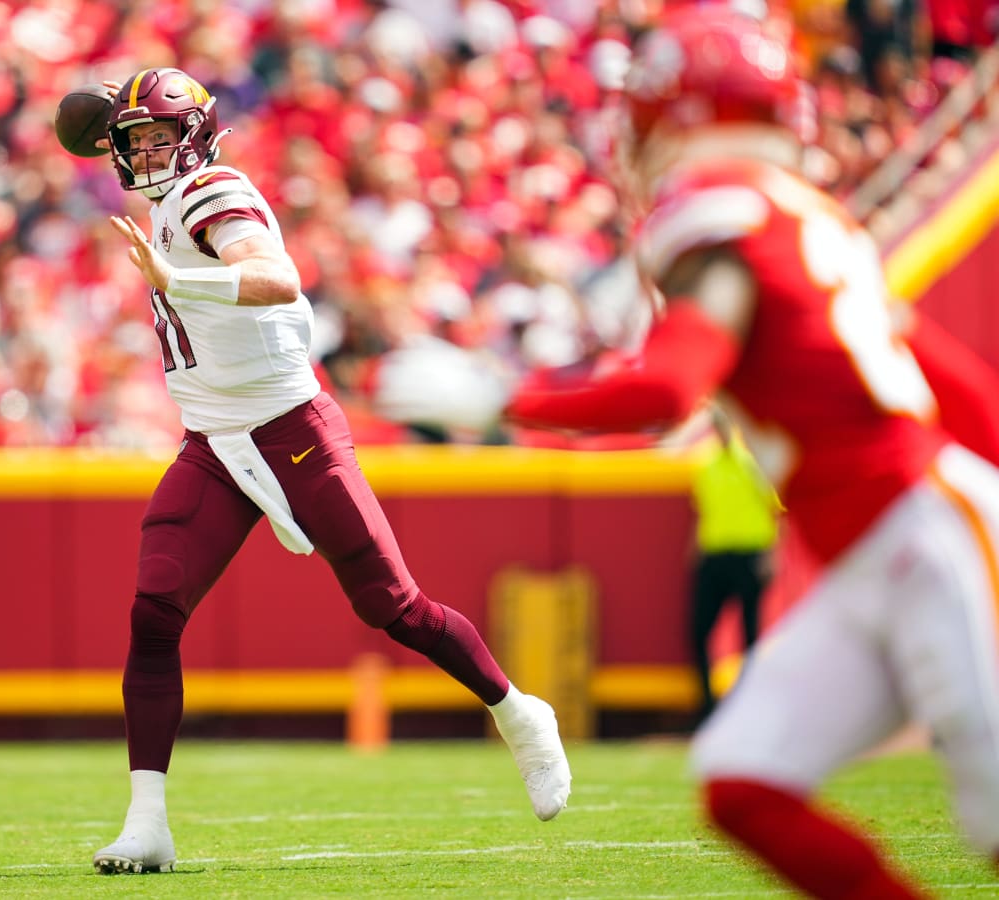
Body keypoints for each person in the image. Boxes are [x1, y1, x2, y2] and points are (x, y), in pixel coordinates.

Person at [505, 8, 999, 898]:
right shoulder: (807, 217)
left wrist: (511, 397)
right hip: (877, 551)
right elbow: (949, 377)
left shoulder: (718, 214)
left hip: (926, 528)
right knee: (745, 779)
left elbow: (666, 390)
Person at [85, 67, 571, 875]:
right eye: (134, 140)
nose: (146, 151)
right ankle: (147, 824)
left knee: (394, 607)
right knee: (153, 609)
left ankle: (519, 713)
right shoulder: (165, 204)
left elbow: (278, 277)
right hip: (214, 439)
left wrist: (177, 280)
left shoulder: (214, 192)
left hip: (289, 427)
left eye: (159, 136)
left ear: (196, 138)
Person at [688, 405, 780, 724]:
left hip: (751, 554)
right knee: (699, 631)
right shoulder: (707, 465)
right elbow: (703, 512)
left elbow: (775, 510)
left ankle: (751, 706)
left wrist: (771, 553)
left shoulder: (753, 462)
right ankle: (708, 706)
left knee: (750, 635)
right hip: (715, 554)